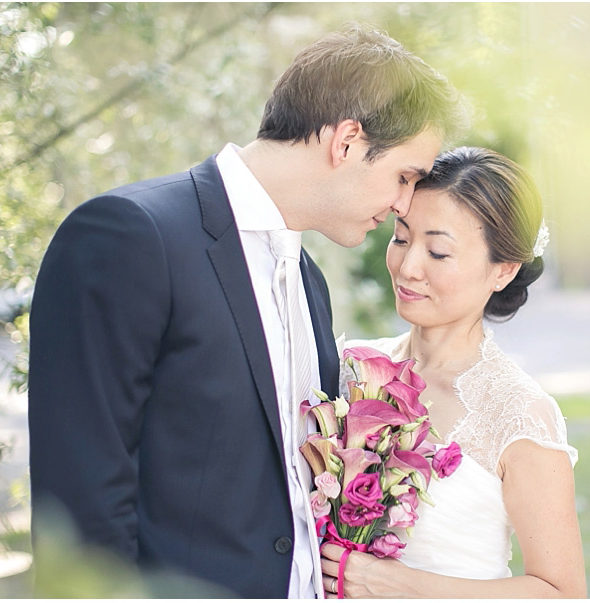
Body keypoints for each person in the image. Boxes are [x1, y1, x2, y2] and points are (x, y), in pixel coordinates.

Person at [28, 25, 461, 598]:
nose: (403, 203)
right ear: (347, 141)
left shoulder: (308, 281)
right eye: (404, 176)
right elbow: (80, 502)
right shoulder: (130, 236)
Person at [321, 147, 587, 598]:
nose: (408, 267)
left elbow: (562, 592)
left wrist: (402, 586)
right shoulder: (347, 367)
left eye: (438, 252)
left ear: (502, 270)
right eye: (401, 238)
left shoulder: (517, 413)